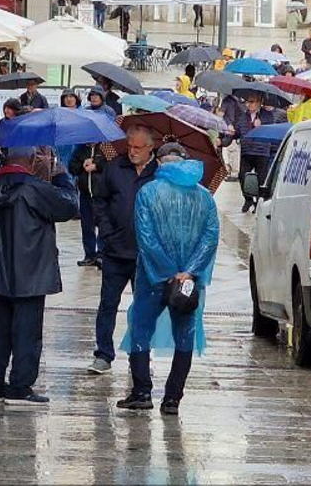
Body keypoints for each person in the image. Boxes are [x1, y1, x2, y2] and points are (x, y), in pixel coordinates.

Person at [116, 145, 219, 415]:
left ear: (159, 162)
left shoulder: (148, 193)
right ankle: (173, 398)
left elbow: (146, 238)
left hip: (153, 276)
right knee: (184, 333)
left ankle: (142, 392)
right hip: (187, 280)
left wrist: (167, 270)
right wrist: (188, 272)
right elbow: (210, 238)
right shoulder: (204, 196)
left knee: (141, 328)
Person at [0, 145, 80, 405]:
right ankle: (20, 386)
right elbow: (70, 205)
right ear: (32, 159)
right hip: (31, 271)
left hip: (0, 271)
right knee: (27, 331)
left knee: (0, 329)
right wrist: (60, 174)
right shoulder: (34, 188)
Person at [89, 124, 158, 375]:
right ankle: (103, 354)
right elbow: (100, 201)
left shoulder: (160, 173)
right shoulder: (115, 167)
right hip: (115, 251)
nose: (132, 151)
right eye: (130, 146)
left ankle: (139, 356)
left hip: (146, 255)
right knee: (108, 303)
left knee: (143, 308)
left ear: (150, 148)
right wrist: (107, 232)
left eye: (138, 147)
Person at [68, 106, 108, 267]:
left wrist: (96, 165)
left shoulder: (106, 148)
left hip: (101, 194)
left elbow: (111, 165)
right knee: (87, 226)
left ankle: (102, 254)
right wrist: (82, 165)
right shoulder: (80, 149)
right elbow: (72, 167)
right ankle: (89, 254)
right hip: (85, 194)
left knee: (103, 224)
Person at [231, 95, 281, 212]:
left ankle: (259, 202)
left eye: (252, 102)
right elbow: (238, 131)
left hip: (261, 151)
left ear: (259, 102)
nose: (249, 104)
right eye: (247, 102)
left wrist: (260, 126)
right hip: (247, 151)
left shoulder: (267, 115)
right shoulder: (243, 116)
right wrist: (231, 133)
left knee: (261, 179)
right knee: (242, 176)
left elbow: (271, 130)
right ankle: (248, 199)